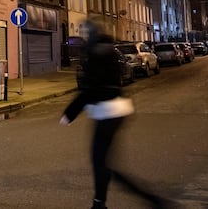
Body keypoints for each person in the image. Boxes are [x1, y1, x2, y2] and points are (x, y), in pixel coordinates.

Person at [60, 23, 164, 209]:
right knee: (102, 162)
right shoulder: (111, 51)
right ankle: (100, 203)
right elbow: (120, 75)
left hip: (106, 112)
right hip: (119, 109)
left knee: (102, 162)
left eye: (84, 33)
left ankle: (150, 199)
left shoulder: (94, 53)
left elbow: (90, 88)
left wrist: (70, 113)